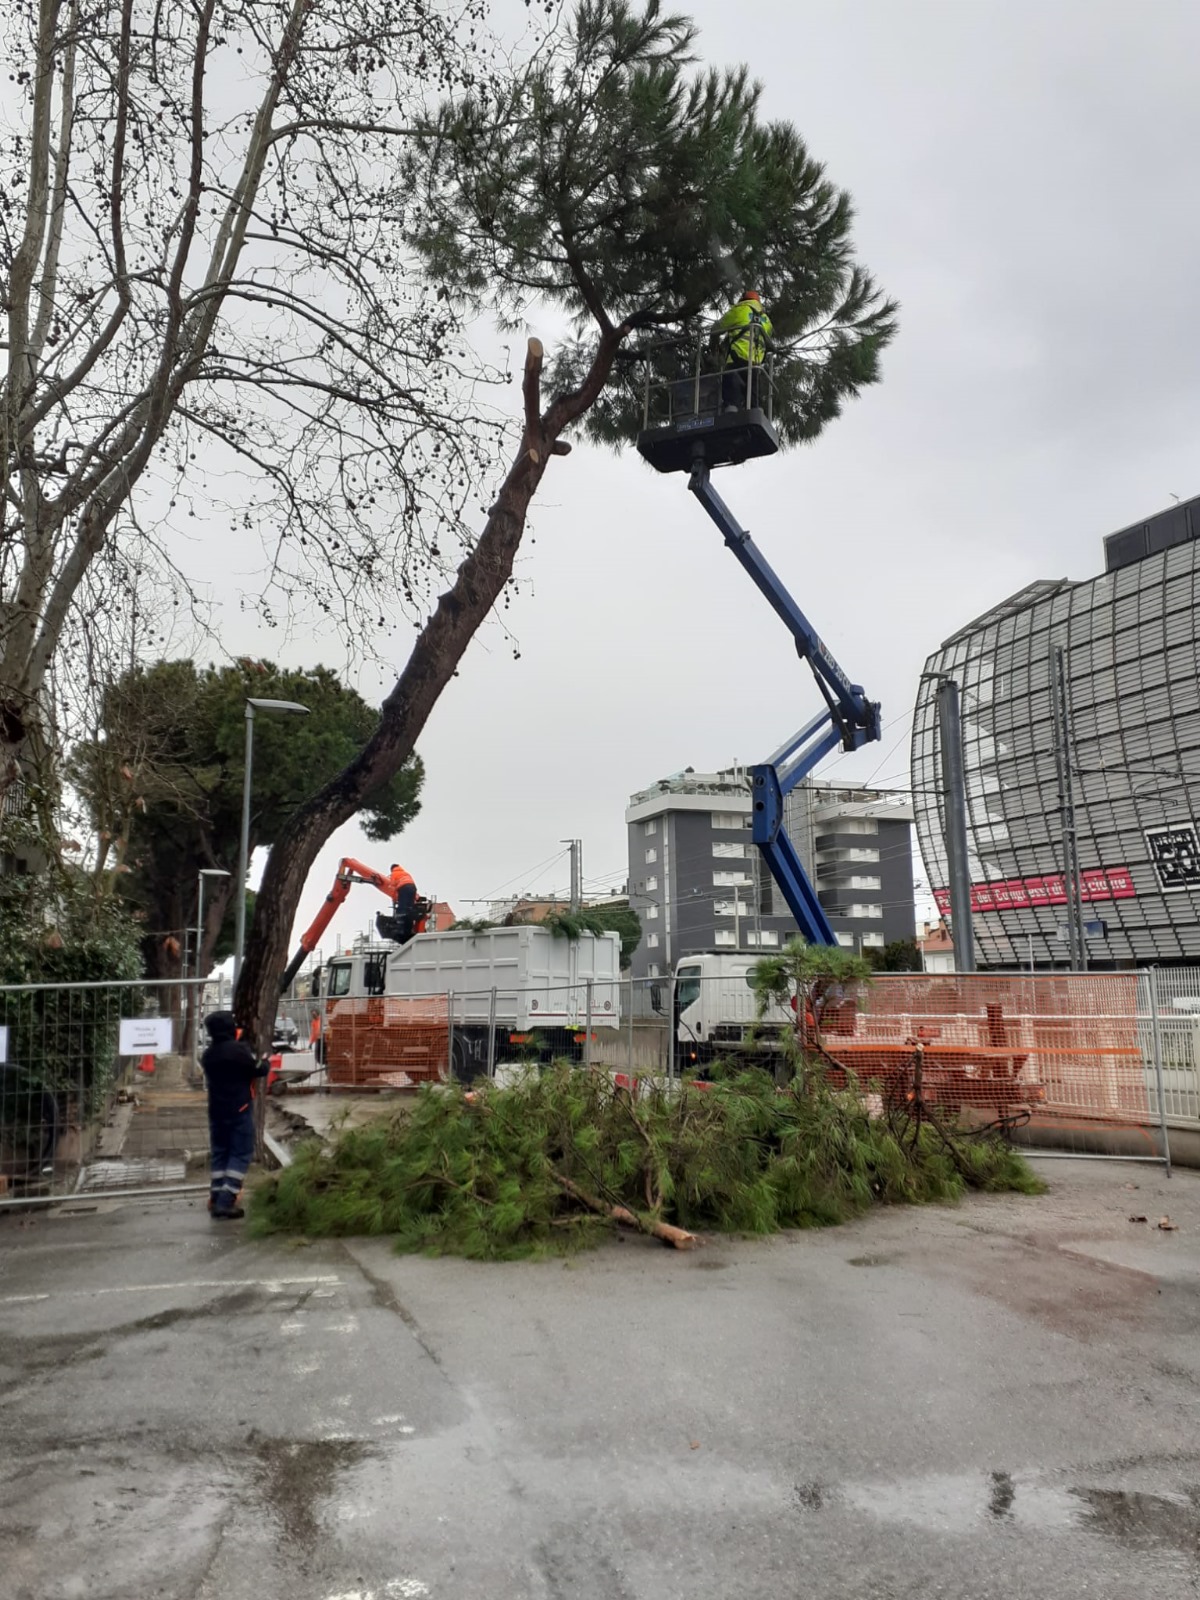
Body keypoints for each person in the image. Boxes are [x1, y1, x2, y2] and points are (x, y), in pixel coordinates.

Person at [200, 1011, 266, 1220]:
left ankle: (216, 1195)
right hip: (239, 1110)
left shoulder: (208, 1055)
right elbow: (258, 1069)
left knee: (220, 1153)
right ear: (230, 1029)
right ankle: (226, 1201)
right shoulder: (238, 1051)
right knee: (239, 1154)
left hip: (217, 1112)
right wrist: (264, 1060)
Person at [714, 289, 773, 411]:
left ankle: (731, 406)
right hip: (755, 363)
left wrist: (713, 345)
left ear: (743, 300)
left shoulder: (739, 310)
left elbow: (717, 328)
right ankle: (755, 409)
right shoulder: (766, 320)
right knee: (753, 396)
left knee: (732, 386)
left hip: (736, 359)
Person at [388, 862, 421, 940]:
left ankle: (401, 926)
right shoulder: (405, 873)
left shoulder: (394, 874)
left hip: (403, 888)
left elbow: (392, 887)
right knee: (409, 908)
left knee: (402, 908)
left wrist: (394, 898)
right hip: (412, 888)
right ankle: (408, 925)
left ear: (392, 869)